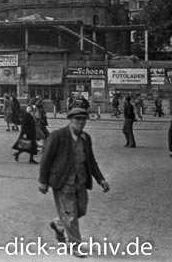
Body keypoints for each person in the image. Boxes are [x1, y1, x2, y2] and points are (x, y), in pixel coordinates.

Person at [39, 107, 110, 256]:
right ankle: (75, 246)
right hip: (63, 181)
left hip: (81, 180)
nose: (81, 123)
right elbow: (46, 159)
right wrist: (43, 181)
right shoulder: (58, 136)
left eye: (83, 120)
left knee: (81, 210)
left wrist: (101, 179)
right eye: (77, 119)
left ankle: (59, 223)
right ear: (71, 120)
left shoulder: (86, 138)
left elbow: (91, 160)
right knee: (70, 214)